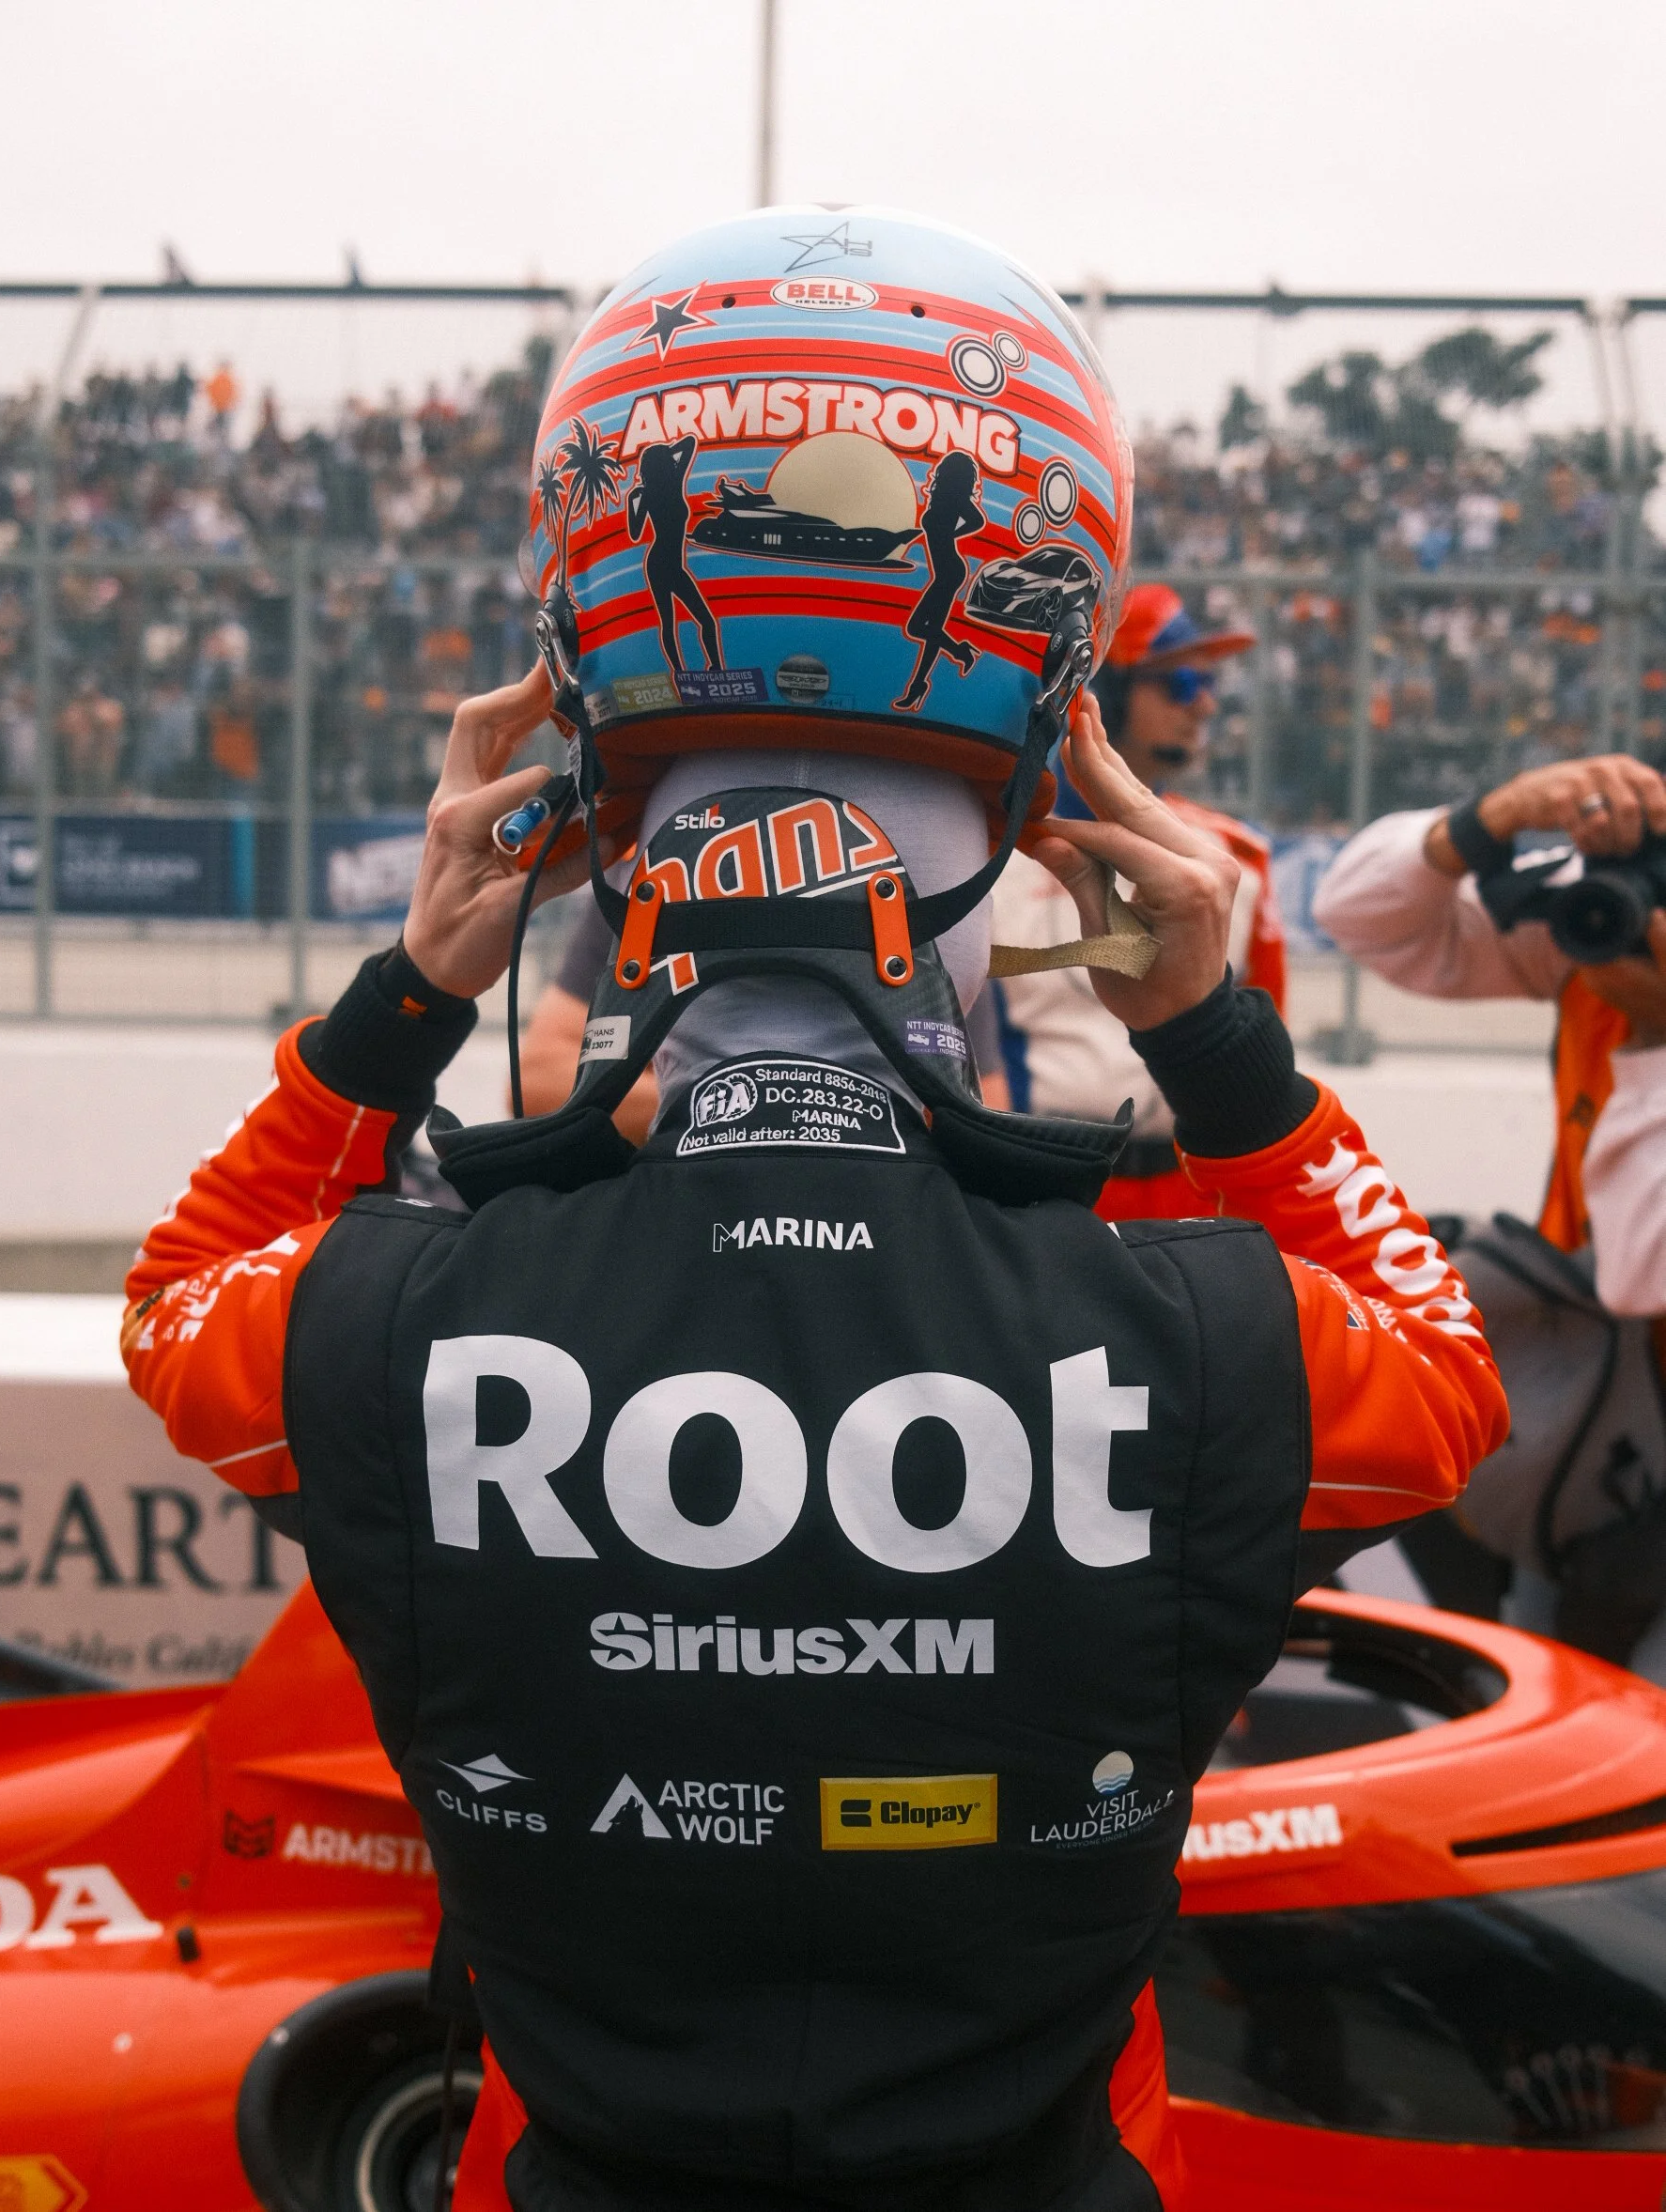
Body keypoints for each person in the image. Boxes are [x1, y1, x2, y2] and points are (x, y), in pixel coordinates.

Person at [121, 209, 1504, 2212]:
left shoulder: (393, 1319)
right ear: (1048, 777)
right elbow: (1446, 1370)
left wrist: (401, 1000)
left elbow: (174, 1302)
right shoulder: (1204, 1338)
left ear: (591, 806)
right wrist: (1220, 1043)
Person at [1313, 754, 1666, 1647]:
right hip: (1598, 1420)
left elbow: (1643, 1271)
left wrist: (1658, 1037)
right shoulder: (1607, 942)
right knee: (1567, 1702)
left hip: (1624, 1379)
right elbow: (1357, 914)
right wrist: (1490, 818)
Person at [991, 584, 1286, 1218]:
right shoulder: (988, 854)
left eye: (1210, 684)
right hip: (1036, 1192)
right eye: (1181, 681)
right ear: (1105, 687)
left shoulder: (1239, 865)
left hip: (1195, 1195)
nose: (1204, 703)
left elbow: (1261, 1055)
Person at [517, 895, 1014, 1137]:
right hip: (680, 1211)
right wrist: (791, 1107)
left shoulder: (929, 887)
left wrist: (718, 1095)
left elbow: (983, 1107)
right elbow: (538, 1082)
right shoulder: (652, 864)